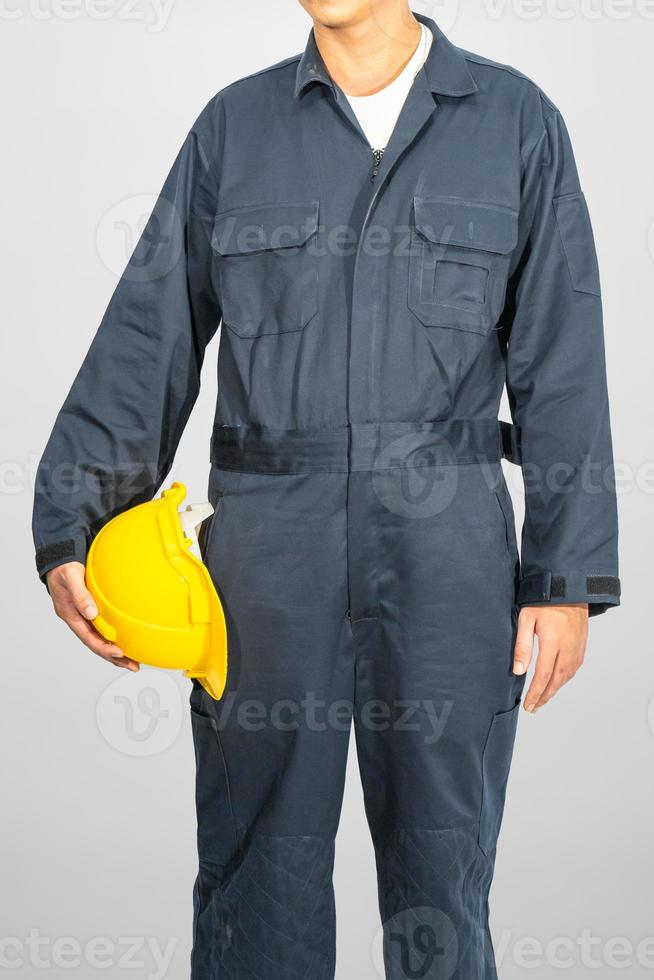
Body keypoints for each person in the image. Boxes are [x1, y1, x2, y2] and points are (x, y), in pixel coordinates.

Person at [33, 1, 620, 977]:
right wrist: (68, 528)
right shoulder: (238, 127)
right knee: (257, 872)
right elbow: (148, 335)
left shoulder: (515, 123)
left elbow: (563, 358)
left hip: (450, 547)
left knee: (445, 870)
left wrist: (565, 571)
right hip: (267, 551)